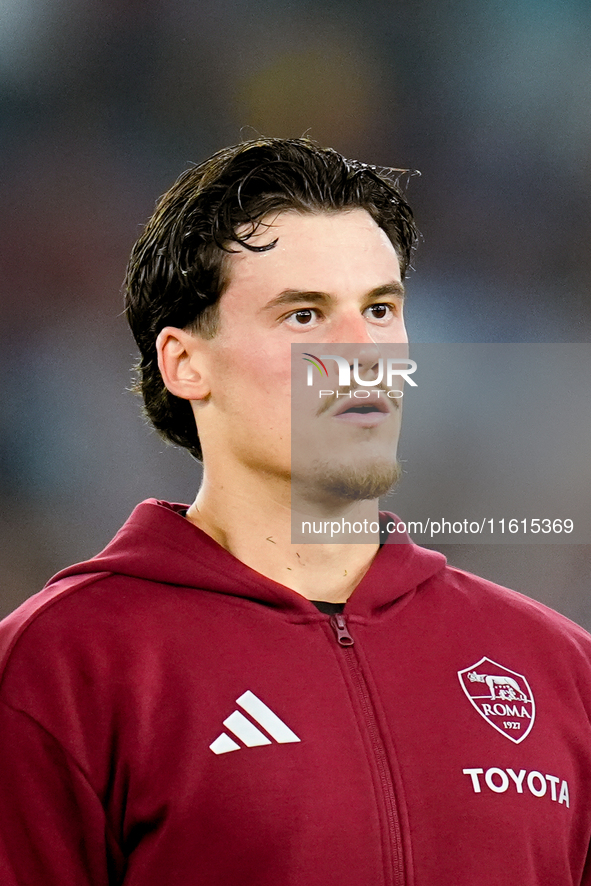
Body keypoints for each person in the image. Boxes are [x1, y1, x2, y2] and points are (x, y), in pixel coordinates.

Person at [0, 137, 590, 885]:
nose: (360, 352)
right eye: (303, 315)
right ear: (186, 363)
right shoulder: (62, 666)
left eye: (379, 308)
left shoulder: (558, 669)